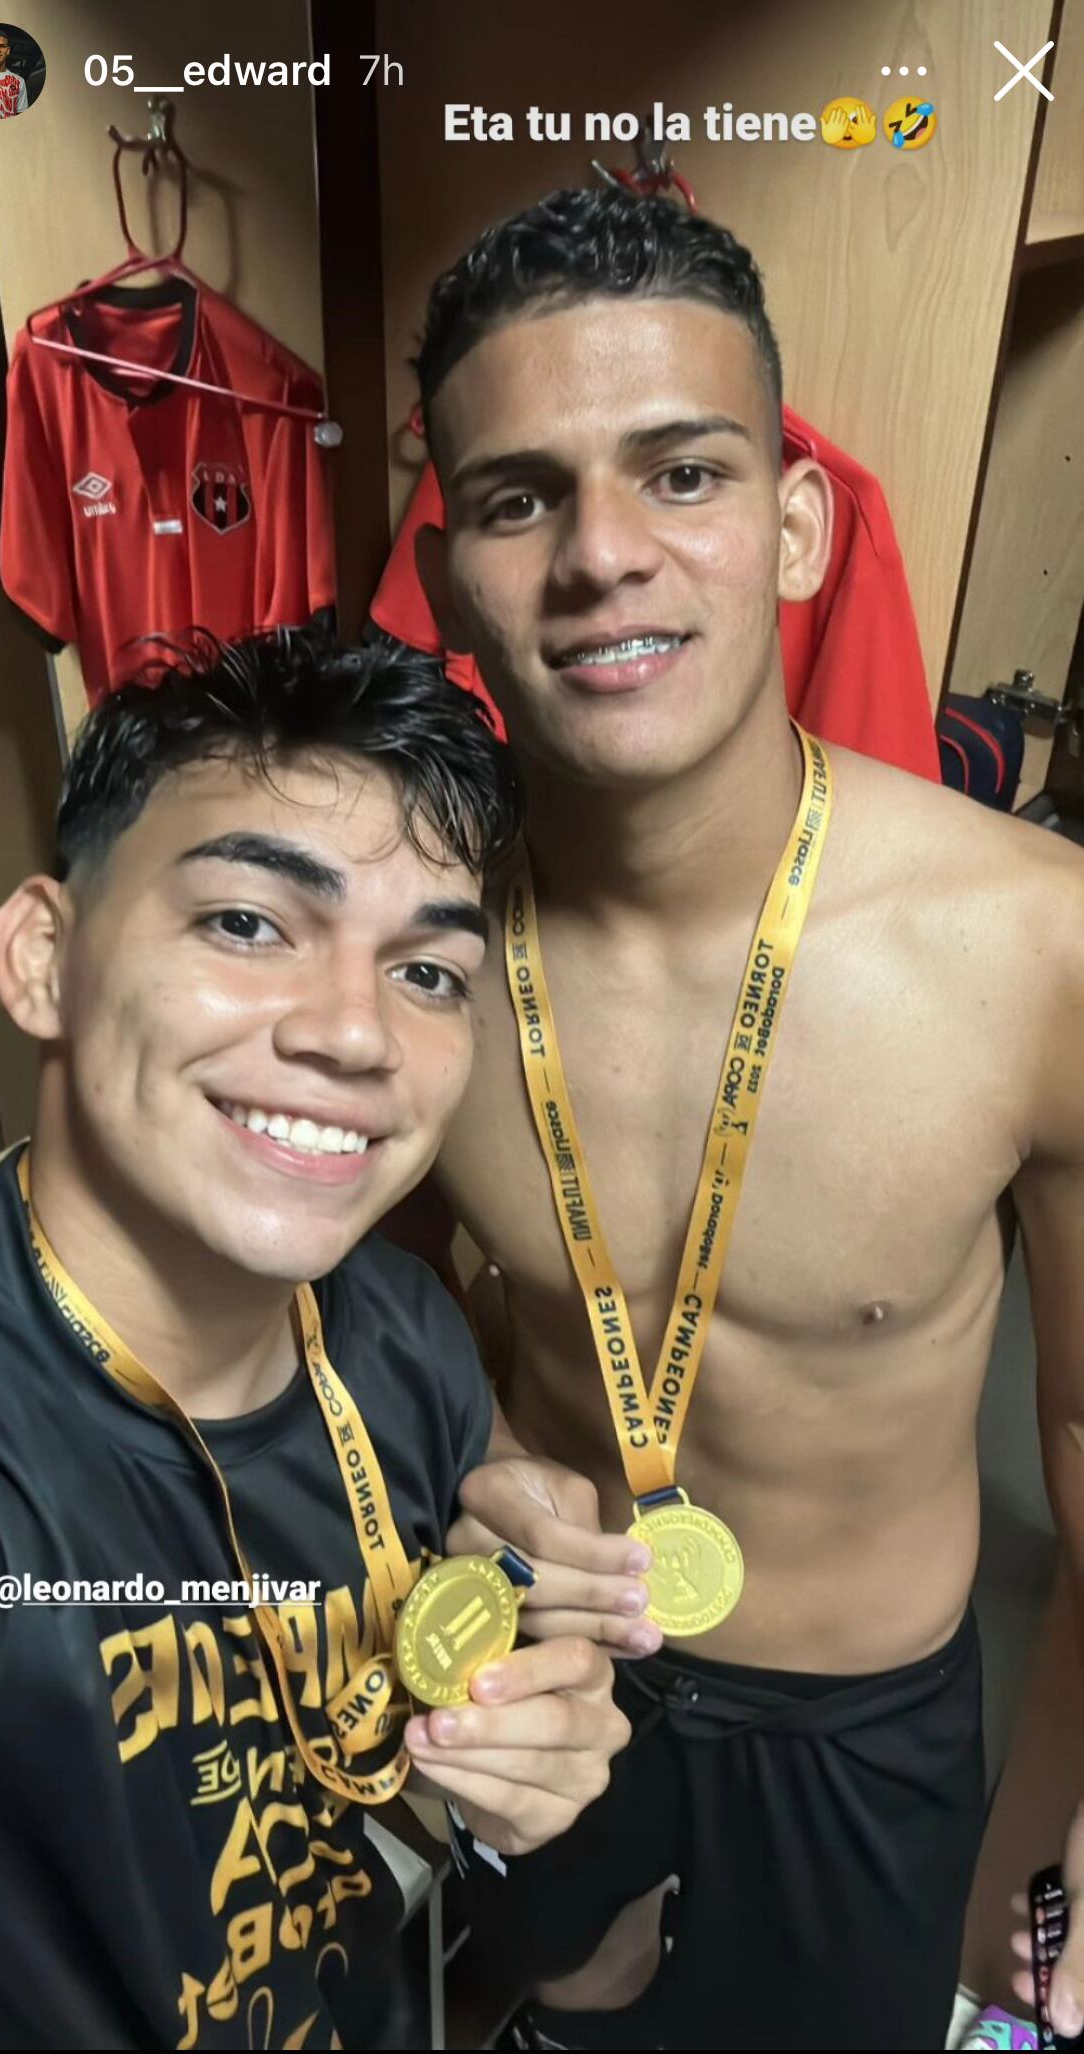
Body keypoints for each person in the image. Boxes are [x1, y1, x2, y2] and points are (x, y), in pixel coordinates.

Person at [384, 188, 1084, 2050]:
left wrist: (1060, 1844)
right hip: (545, 1659)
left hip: (855, 1715)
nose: (603, 554)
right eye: (523, 496)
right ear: (454, 570)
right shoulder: (411, 947)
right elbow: (352, 1329)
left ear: (792, 523)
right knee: (514, 2001)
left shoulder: (1037, 942)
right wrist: (462, 1484)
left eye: (681, 471)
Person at [0, 626, 628, 2052]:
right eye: (248, 921)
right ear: (43, 956)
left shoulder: (401, 1330)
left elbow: (494, 1524)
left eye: (427, 971)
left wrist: (535, 1694)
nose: (356, 1034)